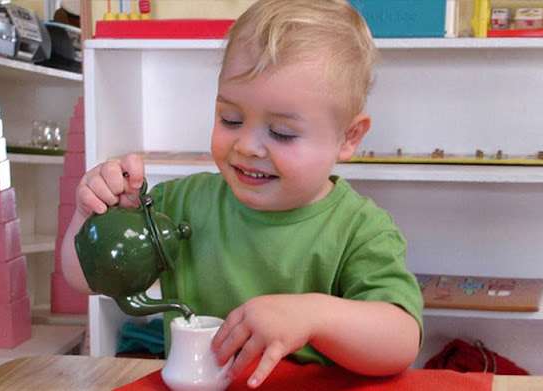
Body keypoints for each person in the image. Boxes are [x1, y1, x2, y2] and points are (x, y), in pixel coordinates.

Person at [61, 0, 423, 388]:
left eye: (282, 132)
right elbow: (85, 278)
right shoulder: (178, 204)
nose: (247, 146)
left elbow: (401, 340)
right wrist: (90, 214)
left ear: (348, 137)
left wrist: (312, 316)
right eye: (230, 119)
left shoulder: (360, 229)